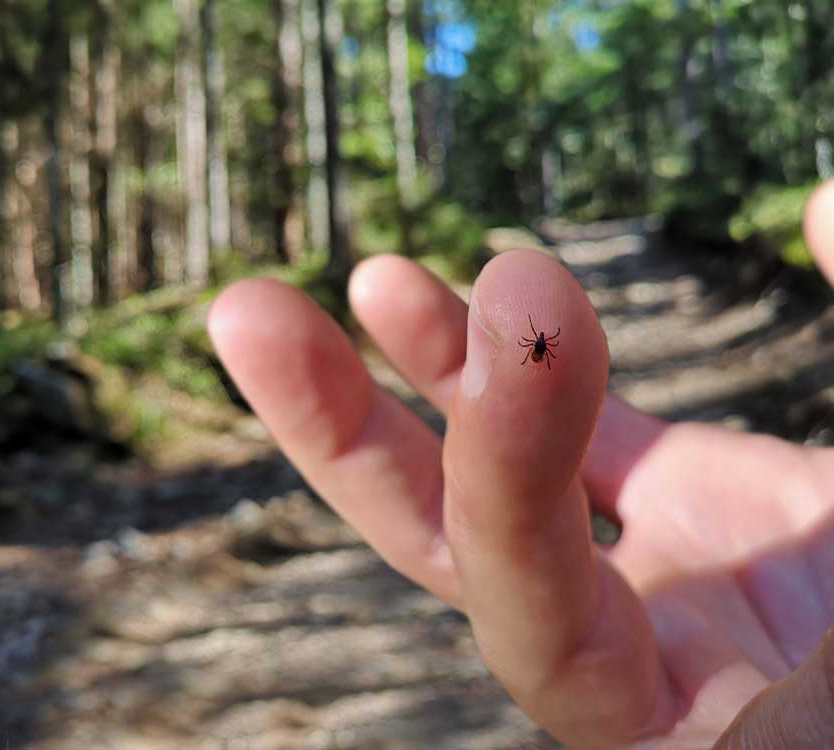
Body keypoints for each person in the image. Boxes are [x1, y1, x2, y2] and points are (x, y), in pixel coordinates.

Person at [208, 180, 834, 749]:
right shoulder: (540, 345)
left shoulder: (542, 345)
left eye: (538, 341)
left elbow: (545, 345)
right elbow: (543, 345)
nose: (539, 344)